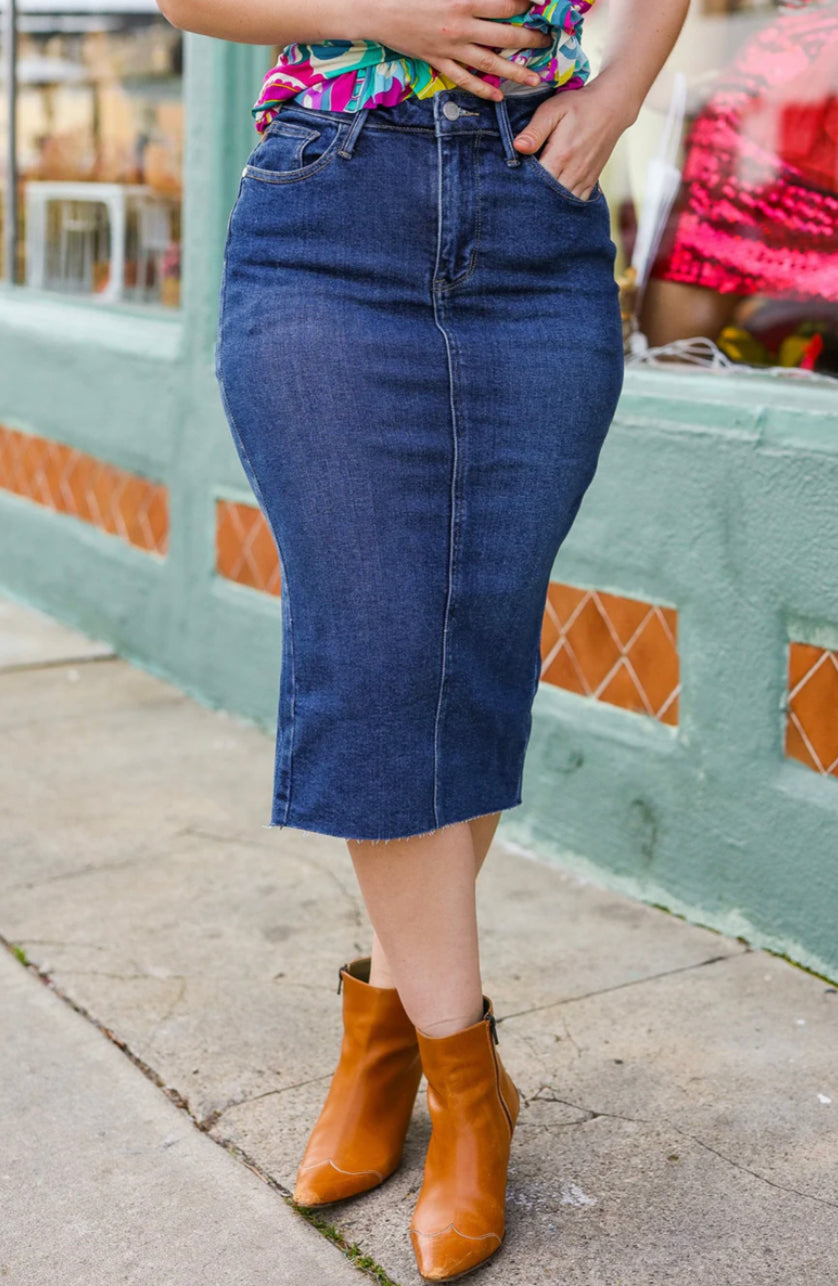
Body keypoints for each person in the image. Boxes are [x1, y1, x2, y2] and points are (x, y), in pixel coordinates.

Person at [157, 2, 688, 1279]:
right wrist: (366, 11)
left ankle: (379, 1037)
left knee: (473, 646)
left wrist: (619, 91)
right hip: (329, 208)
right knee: (381, 654)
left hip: (536, 215)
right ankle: (468, 1085)